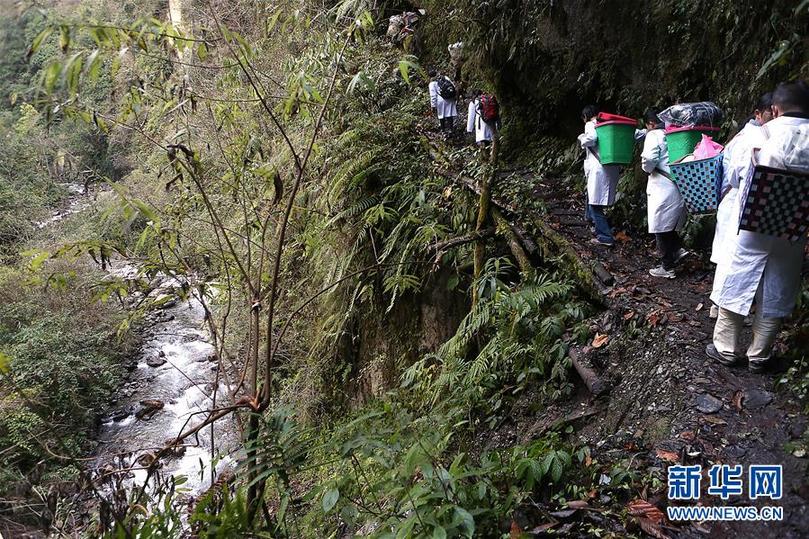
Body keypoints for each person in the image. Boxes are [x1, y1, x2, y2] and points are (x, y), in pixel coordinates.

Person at [707, 81, 809, 372]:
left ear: (775, 109)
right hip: (795, 226)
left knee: (740, 275)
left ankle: (725, 348)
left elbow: (739, 175)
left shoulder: (761, 133)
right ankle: (760, 355)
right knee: (779, 280)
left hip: (755, 219)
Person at [708, 93, 773, 318]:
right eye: (769, 113)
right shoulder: (753, 138)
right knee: (732, 256)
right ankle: (721, 306)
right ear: (758, 113)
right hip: (736, 199)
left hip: (733, 201)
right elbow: (737, 174)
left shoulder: (745, 135)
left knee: (729, 255)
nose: (773, 118)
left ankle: (718, 305)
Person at [640, 108, 688, 278]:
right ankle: (677, 249)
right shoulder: (676, 133)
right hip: (678, 183)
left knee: (660, 225)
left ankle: (667, 267)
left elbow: (650, 159)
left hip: (662, 185)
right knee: (669, 222)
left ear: (651, 123)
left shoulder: (654, 135)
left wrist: (646, 168)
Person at [578, 105, 620, 247]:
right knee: (592, 197)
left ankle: (605, 236)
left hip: (598, 169)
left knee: (595, 204)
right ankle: (591, 221)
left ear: (585, 117)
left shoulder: (591, 124)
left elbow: (591, 138)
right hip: (610, 168)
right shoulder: (610, 125)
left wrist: (582, 138)